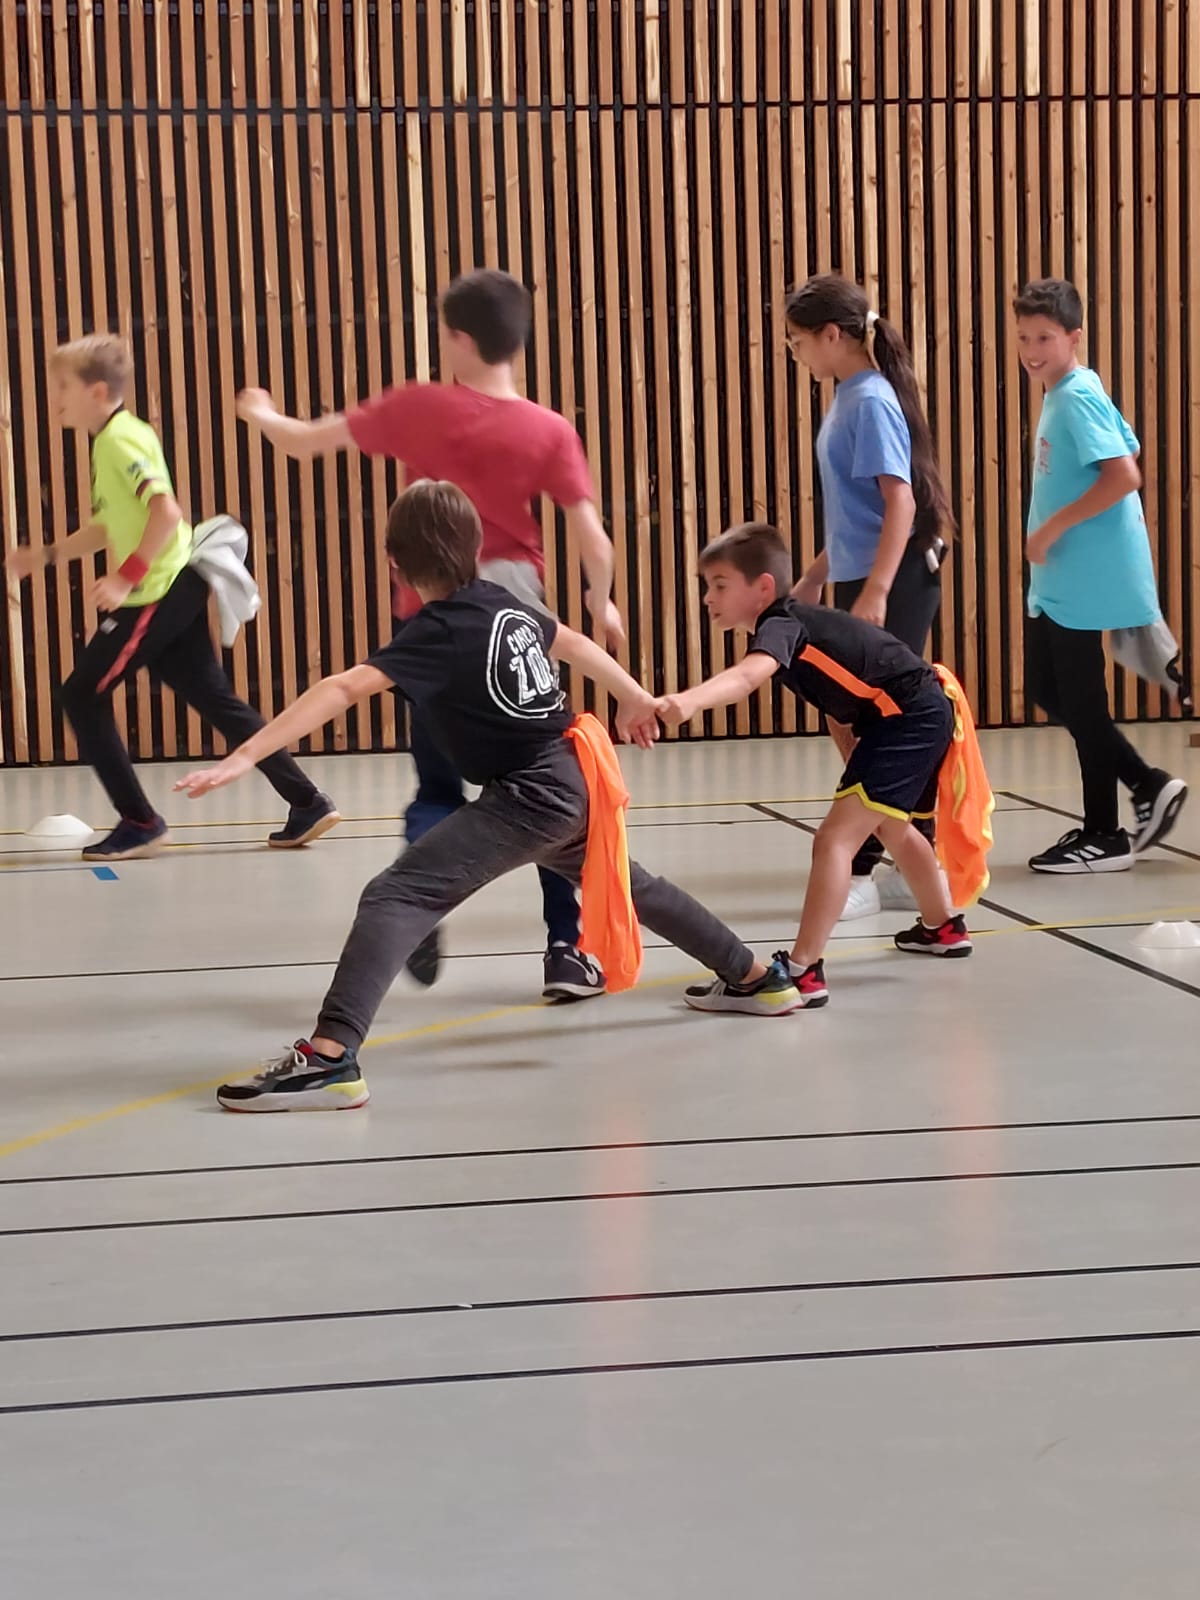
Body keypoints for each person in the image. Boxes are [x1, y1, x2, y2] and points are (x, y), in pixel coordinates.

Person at [175, 482, 804, 1112]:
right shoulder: (501, 602)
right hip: (571, 775)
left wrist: (246, 755)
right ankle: (754, 978)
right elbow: (573, 642)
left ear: (395, 564)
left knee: (397, 893)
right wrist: (633, 695)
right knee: (631, 884)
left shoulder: (437, 630)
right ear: (476, 550)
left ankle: (330, 1058)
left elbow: (342, 688)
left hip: (534, 793)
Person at [234, 268, 621, 1002]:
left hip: (434, 619)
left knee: (437, 780)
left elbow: (303, 442)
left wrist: (260, 411)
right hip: (516, 616)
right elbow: (593, 539)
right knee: (546, 775)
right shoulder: (549, 429)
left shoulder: (419, 406)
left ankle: (421, 892)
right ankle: (566, 951)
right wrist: (602, 604)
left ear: (459, 338)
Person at [3, 334, 338, 860]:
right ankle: (308, 802)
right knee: (212, 696)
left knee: (81, 694)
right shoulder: (112, 439)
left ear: (96, 391)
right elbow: (109, 525)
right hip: (173, 582)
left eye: (62, 387)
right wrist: (45, 555)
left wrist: (126, 578)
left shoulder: (120, 440)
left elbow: (166, 512)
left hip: (159, 588)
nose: (54, 399)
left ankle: (141, 821)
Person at [658, 523, 984, 1012]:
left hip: (909, 716)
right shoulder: (797, 626)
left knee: (834, 840)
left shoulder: (781, 626)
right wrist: (857, 758)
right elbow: (843, 702)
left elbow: (747, 677)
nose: (708, 597)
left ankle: (802, 970)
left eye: (720, 585)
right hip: (909, 714)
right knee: (891, 825)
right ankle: (943, 927)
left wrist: (687, 702)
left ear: (763, 587)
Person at [785, 273, 956, 918]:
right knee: (850, 714)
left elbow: (900, 502)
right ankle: (899, 849)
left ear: (833, 335)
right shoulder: (848, 396)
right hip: (865, 573)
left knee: (883, 719)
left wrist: (878, 590)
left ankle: (881, 857)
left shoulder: (871, 401)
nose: (796, 353)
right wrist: (817, 573)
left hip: (898, 576)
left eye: (798, 341)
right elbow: (856, 513)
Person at [1014, 277, 1187, 871]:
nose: (1032, 350)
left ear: (1074, 337)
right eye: (1023, 338)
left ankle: (1105, 833)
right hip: (1064, 579)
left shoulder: (1076, 397)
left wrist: (1051, 528)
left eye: (1044, 337)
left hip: (1083, 577)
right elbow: (1126, 446)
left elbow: (1124, 473)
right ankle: (1144, 785)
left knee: (1081, 699)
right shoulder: (1070, 389)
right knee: (1048, 689)